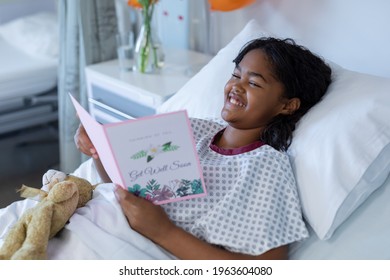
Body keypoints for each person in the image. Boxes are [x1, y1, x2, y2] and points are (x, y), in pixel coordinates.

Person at [74, 37, 332, 259]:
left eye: (254, 83)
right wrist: (97, 149)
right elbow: (122, 184)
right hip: (94, 222)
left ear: (287, 105)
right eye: (236, 75)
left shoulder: (265, 167)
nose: (236, 87)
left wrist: (162, 231)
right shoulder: (189, 128)